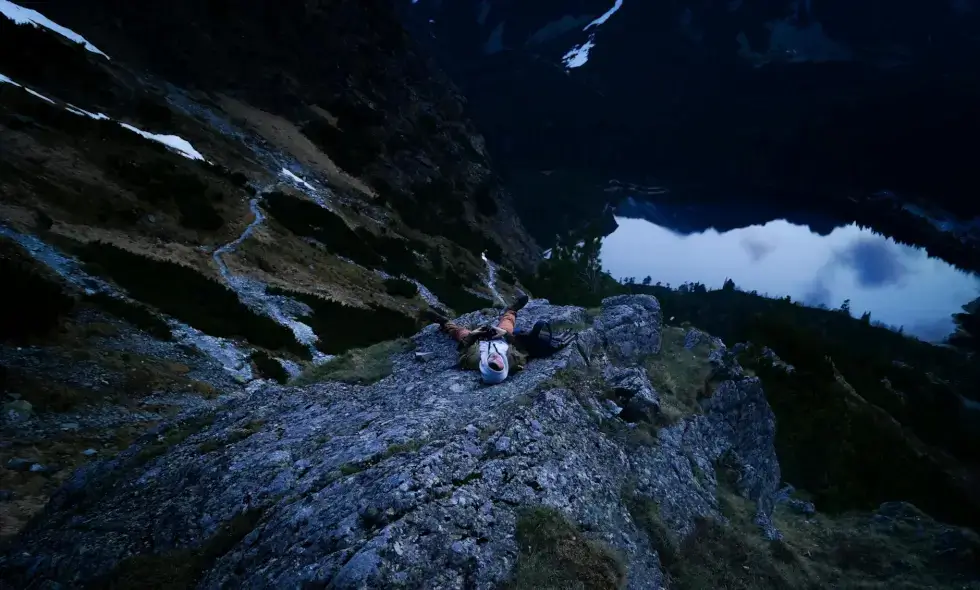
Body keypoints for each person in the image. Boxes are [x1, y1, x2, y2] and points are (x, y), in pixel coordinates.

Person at [423, 294, 530, 384]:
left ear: (485, 367)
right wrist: (506, 334)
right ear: (505, 368)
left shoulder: (473, 361)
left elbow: (463, 350)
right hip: (501, 338)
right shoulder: (515, 361)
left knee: (460, 332)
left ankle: (445, 323)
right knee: (508, 323)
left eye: (491, 364)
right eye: (499, 364)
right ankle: (511, 310)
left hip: (479, 341)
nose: (495, 358)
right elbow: (521, 347)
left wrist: (473, 335)